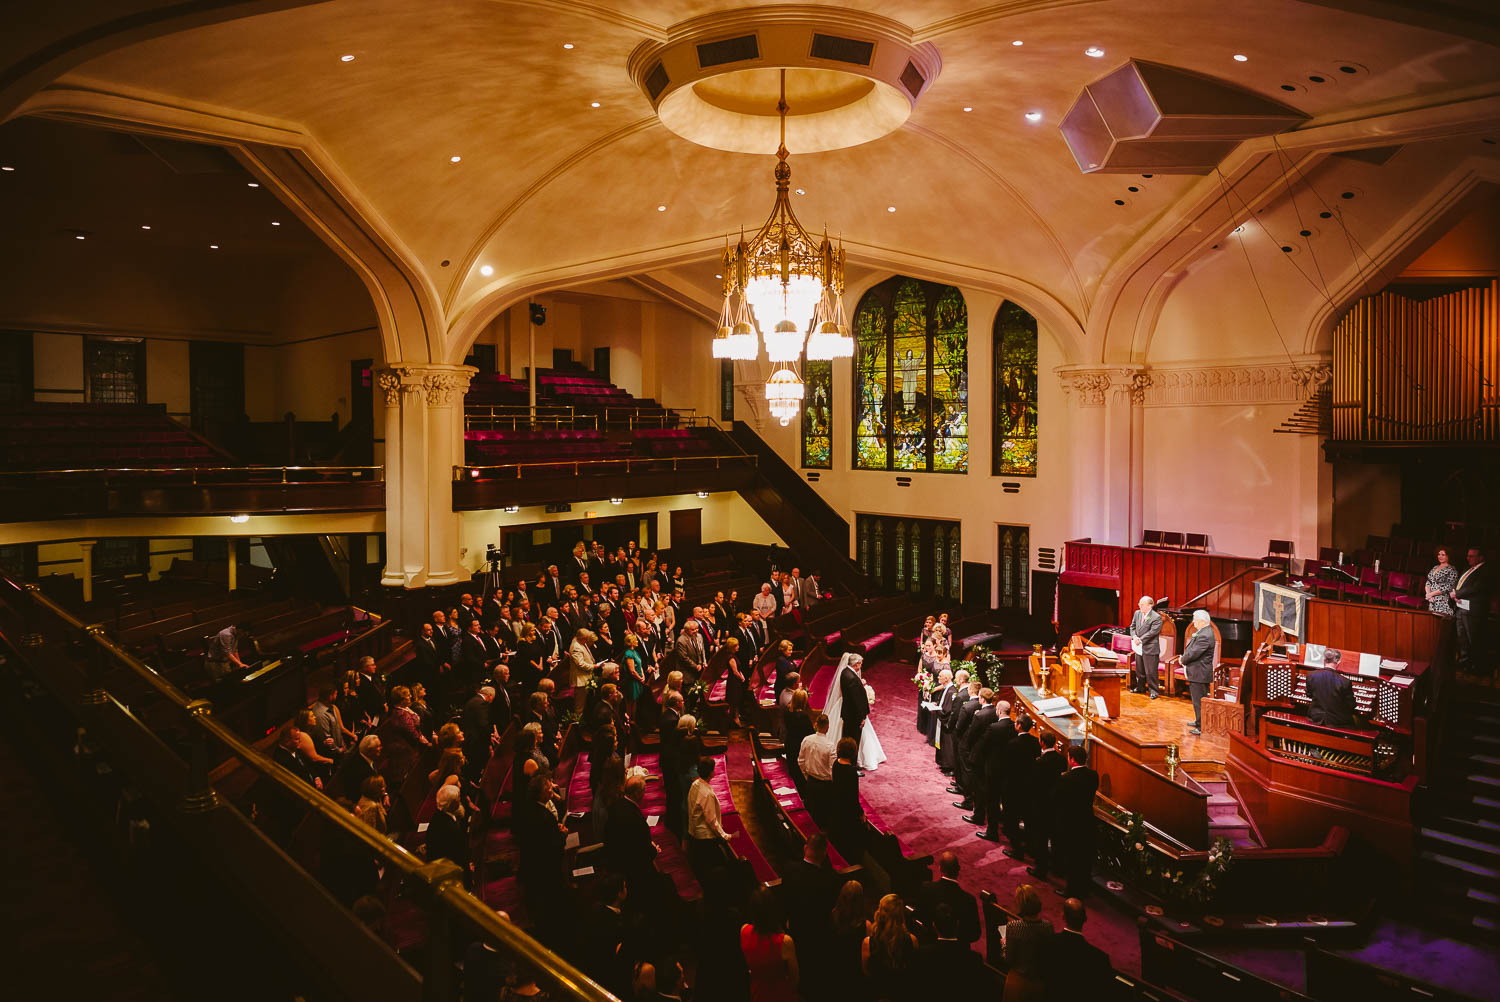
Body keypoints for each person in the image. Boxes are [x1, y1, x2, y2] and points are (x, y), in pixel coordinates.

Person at [781, 833, 836, 989]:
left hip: (796, 929)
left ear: (805, 848)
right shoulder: (827, 879)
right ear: (824, 854)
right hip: (819, 935)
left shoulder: (789, 870)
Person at [1039, 897, 1114, 1001]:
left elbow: (1040, 974)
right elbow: (1105, 993)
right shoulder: (1100, 959)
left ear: (1063, 917)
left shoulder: (1048, 942)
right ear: (1085, 919)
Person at [823, 653, 886, 772]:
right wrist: (862, 716)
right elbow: (856, 700)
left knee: (850, 738)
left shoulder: (846, 672)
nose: (861, 665)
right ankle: (851, 766)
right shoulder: (851, 677)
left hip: (848, 713)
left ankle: (850, 763)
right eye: (861, 663)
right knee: (853, 740)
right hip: (853, 715)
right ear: (856, 664)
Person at [1053, 745, 1099, 899]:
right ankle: (1084, 888)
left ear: (1072, 760)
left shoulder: (1066, 779)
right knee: (1084, 858)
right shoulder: (1094, 776)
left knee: (1072, 860)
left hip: (1070, 824)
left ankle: (1071, 891)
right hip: (1087, 821)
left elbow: (1058, 801)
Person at [741, 886, 799, 1002]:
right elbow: (795, 979)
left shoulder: (744, 931)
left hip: (757, 993)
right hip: (781, 994)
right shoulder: (784, 941)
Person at [1025, 731, 1068, 879]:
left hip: (1041, 804)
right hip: (1056, 804)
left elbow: (1033, 783)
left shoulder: (1039, 762)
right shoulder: (1061, 759)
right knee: (1055, 837)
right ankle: (1058, 868)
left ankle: (1041, 869)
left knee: (1041, 838)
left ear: (1042, 743)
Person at [1002, 884, 1054, 1002]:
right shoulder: (1048, 927)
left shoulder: (1013, 927)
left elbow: (1008, 959)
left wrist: (1004, 942)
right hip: (1039, 982)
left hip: (1018, 982)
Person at [916, 852, 981, 946]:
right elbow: (974, 935)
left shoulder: (926, 888)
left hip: (930, 944)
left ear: (940, 868)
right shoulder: (969, 900)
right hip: (959, 950)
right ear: (958, 869)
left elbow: (921, 917)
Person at [861, 893, 916, 1001]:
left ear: (879, 913)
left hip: (877, 995)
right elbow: (912, 971)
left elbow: (866, 972)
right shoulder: (912, 940)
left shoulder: (868, 943)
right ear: (901, 914)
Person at [1453, 546, 1491, 676]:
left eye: (1471, 556)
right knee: (1462, 638)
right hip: (1461, 608)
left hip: (1474, 611)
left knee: (1473, 639)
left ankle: (1476, 666)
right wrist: (1455, 592)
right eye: (1468, 555)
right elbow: (1460, 583)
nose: (1467, 558)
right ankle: (1464, 662)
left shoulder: (1485, 570)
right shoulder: (1469, 569)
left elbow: (1476, 588)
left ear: (1480, 557)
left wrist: (1457, 593)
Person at [686, 755, 728, 875]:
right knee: (710, 869)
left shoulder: (695, 784)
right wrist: (724, 836)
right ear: (711, 773)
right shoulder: (707, 794)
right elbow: (711, 820)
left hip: (694, 833)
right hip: (705, 839)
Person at [1178, 611, 1217, 734]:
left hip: (1199, 673)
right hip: (1198, 672)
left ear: (1202, 621)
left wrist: (1182, 659)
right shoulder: (1203, 631)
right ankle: (1198, 721)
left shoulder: (1205, 635)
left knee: (1199, 701)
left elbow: (1194, 653)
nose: (1193, 622)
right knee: (1197, 700)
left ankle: (1201, 727)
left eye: (1195, 619)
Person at [829, 736, 865, 860]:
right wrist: (861, 813)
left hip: (835, 805)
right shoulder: (851, 772)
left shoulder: (835, 763)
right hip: (847, 811)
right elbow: (853, 797)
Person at [427, 784, 470, 881]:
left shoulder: (439, 816)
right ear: (453, 803)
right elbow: (458, 854)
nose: (460, 799)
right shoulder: (450, 828)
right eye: (458, 797)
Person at [798, 713, 836, 813]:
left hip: (811, 781)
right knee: (825, 812)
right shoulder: (830, 745)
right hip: (825, 784)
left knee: (812, 811)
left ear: (816, 725)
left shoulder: (806, 739)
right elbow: (833, 769)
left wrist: (806, 776)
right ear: (828, 727)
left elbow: (800, 761)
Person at [1129, 595, 1163, 698]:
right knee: (1140, 670)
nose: (1140, 606)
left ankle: (1153, 691)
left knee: (1150, 671)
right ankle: (1140, 688)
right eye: (1139, 604)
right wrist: (1134, 636)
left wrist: (1141, 639)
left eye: (1142, 604)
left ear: (1150, 606)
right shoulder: (1137, 613)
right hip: (1138, 647)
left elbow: (1153, 632)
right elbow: (1132, 626)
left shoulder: (1156, 617)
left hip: (1150, 648)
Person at [1307, 662, 1357, 727]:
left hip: (1315, 717)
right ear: (1338, 662)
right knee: (1358, 722)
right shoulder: (1345, 681)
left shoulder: (1311, 675)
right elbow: (1351, 705)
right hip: (1337, 721)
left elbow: (1309, 694)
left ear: (1324, 660)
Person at [1425, 546, 1459, 617]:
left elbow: (1448, 587)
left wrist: (1431, 594)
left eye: (1443, 555)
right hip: (1431, 600)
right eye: (1439, 554)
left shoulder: (1452, 570)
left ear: (1448, 556)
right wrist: (1428, 594)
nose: (1440, 556)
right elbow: (1429, 582)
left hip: (1443, 601)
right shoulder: (1435, 567)